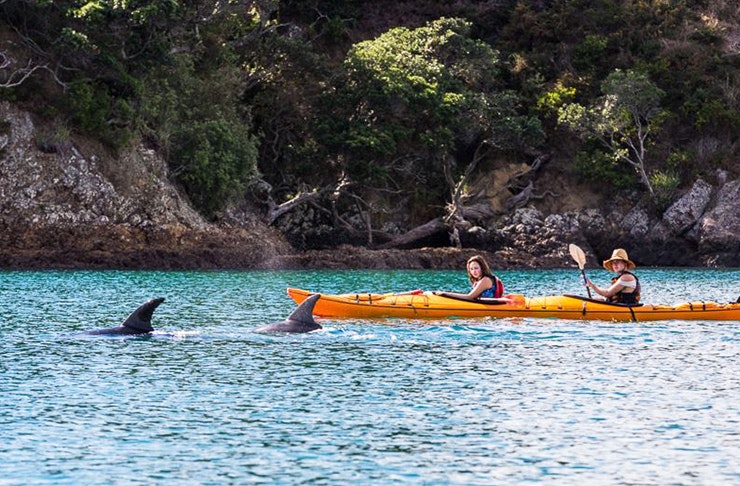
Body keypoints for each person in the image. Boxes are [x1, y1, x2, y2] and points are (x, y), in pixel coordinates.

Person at [434, 255, 504, 300]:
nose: (474, 271)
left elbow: (469, 297)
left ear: (482, 268)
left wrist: (446, 294)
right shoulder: (479, 280)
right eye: (471, 269)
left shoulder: (486, 280)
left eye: (476, 268)